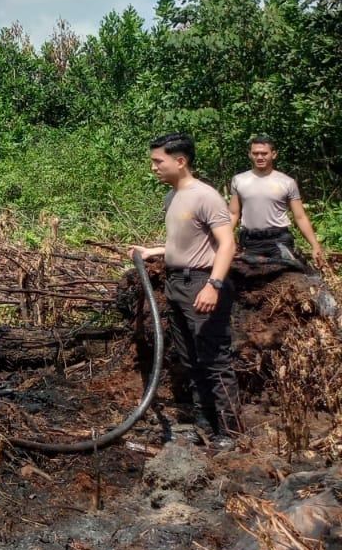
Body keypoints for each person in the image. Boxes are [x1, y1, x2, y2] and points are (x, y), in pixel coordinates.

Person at [132, 132, 239, 448]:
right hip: (177, 282)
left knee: (214, 360)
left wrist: (213, 285)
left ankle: (230, 434)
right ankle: (204, 426)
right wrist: (155, 250)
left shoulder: (205, 196)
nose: (153, 167)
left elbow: (227, 244)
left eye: (158, 161)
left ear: (180, 161)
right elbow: (185, 241)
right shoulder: (171, 197)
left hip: (201, 283)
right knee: (190, 360)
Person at [229, 136, 328, 271]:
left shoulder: (287, 182)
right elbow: (233, 213)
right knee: (247, 281)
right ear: (250, 155)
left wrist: (315, 245)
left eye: (264, 153)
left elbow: (300, 216)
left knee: (289, 277)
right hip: (250, 241)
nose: (259, 157)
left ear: (273, 154)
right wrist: (225, 239)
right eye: (255, 153)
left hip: (279, 240)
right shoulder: (239, 180)